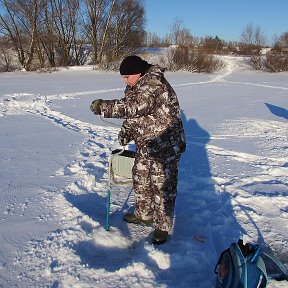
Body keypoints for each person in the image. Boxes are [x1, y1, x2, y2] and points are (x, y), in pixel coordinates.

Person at [90, 55, 186, 244]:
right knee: (141, 178)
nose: (125, 80)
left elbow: (136, 107)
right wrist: (127, 131)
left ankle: (162, 227)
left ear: (138, 72)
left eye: (127, 76)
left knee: (162, 186)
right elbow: (135, 116)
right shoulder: (135, 86)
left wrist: (104, 107)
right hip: (146, 143)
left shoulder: (153, 83)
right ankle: (144, 215)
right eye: (123, 77)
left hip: (165, 145)